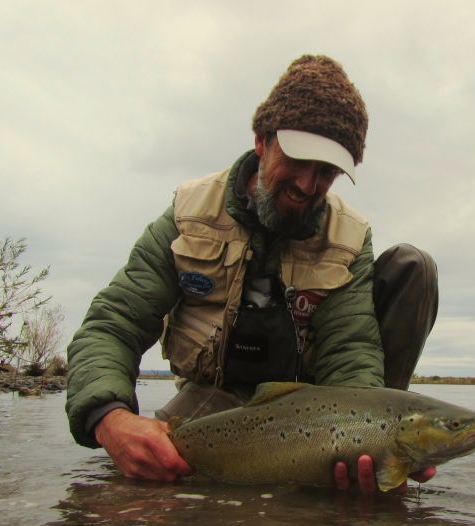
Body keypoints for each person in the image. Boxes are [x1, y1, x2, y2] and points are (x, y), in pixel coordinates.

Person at [66, 54, 439, 493]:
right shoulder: (188, 215)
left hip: (312, 408)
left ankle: (382, 444)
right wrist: (110, 419)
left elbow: (350, 351)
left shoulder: (348, 237)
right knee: (141, 487)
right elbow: (113, 324)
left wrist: (367, 442)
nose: (306, 185)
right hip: (215, 394)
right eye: (298, 160)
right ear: (262, 141)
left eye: (326, 172)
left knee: (415, 267)